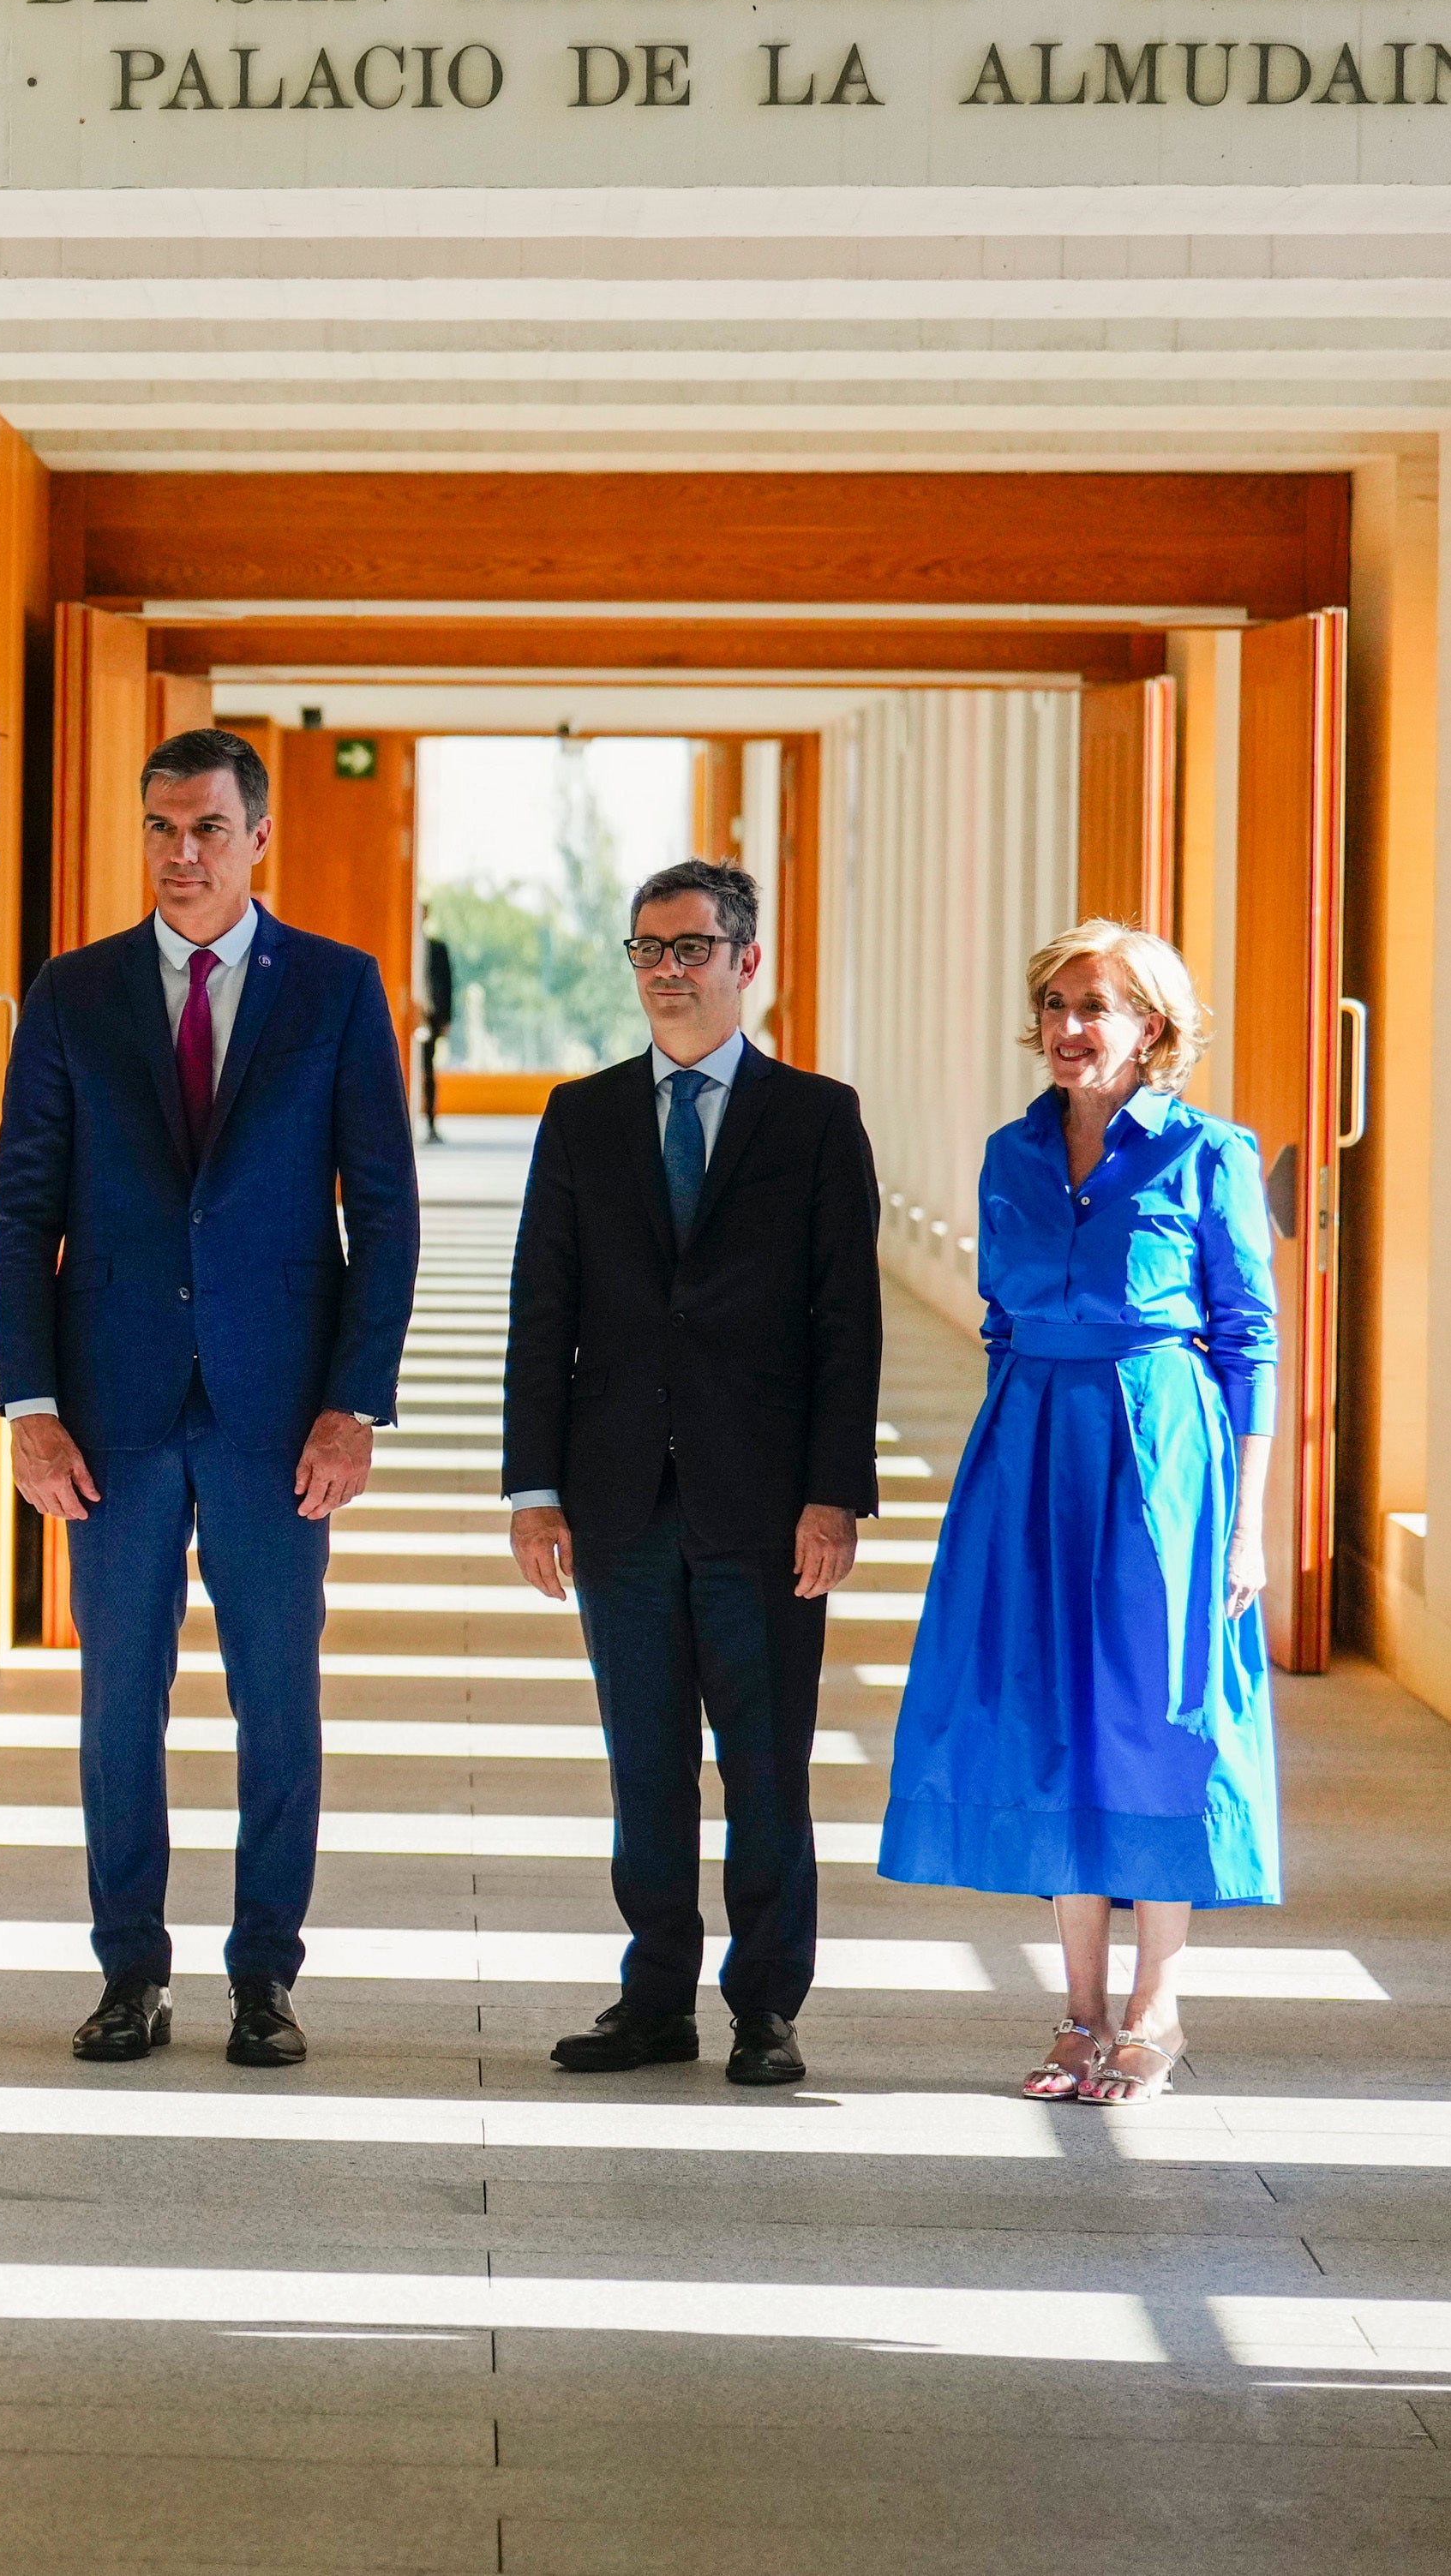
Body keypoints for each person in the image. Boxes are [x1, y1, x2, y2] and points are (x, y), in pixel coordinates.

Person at [0, 727, 417, 2070]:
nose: (182, 855)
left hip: (277, 1410)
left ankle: (263, 1981)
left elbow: (385, 1212)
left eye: (208, 830)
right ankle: (130, 1975)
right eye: (162, 829)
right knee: (119, 1701)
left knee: (275, 1699)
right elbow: (21, 1214)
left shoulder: (338, 991)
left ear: (258, 837)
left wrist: (355, 1402)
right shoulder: (72, 992)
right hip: (108, 1411)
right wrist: (28, 1403)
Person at [881, 920, 1281, 2107]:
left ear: (1151, 1027)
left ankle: (1158, 2006)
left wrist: (1248, 1525)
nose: (1067, 1027)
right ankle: (1079, 2009)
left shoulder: (1210, 1153)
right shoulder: (1009, 1154)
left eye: (1094, 1005)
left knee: (1154, 1716)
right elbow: (1001, 1320)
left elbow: (1251, 1344)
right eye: (1054, 1002)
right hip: (1027, 1444)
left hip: (1162, 1452)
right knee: (1046, 1712)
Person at [501, 860, 879, 2088]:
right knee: (644, 1763)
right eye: (648, 949)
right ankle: (653, 1995)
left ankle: (765, 2006)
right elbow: (540, 1308)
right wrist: (532, 1488)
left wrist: (835, 1495)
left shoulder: (817, 1118)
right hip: (617, 1501)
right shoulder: (581, 1115)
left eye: (692, 948)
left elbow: (845, 1323)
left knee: (764, 1764)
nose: (668, 970)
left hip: (765, 1507)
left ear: (745, 963)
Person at [416, 934, 458, 1143]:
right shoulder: (404, 942)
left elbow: (448, 983)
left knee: (428, 1071)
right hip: (412, 1015)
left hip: (431, 1018)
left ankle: (431, 1124)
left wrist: (446, 1018)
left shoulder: (437, 948)